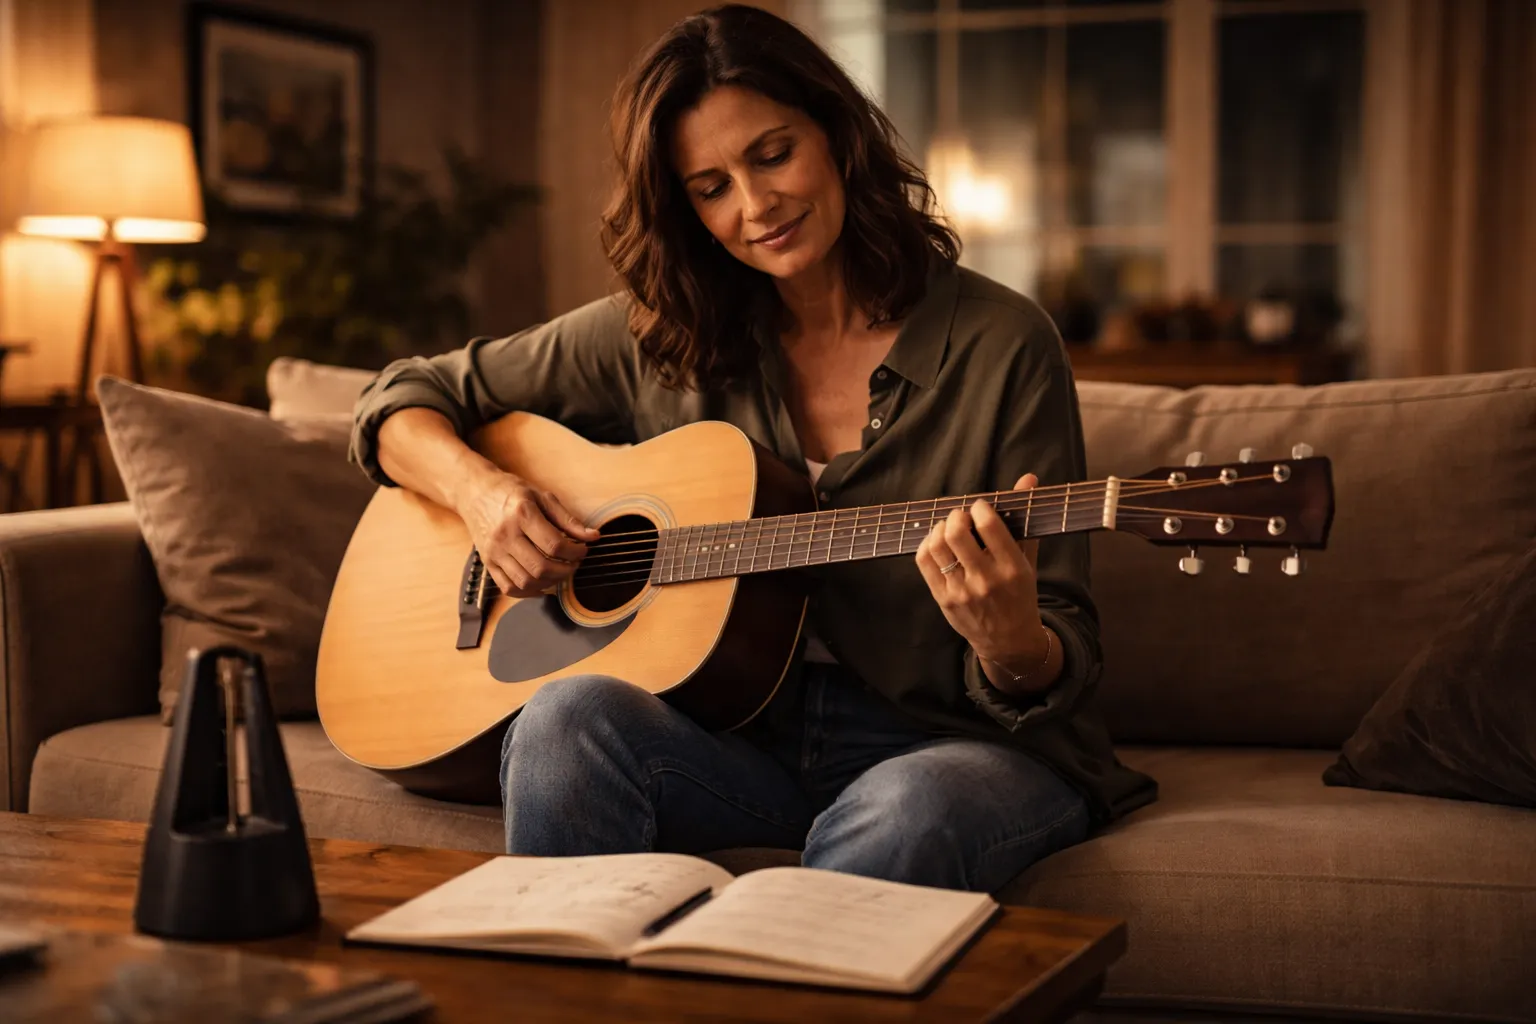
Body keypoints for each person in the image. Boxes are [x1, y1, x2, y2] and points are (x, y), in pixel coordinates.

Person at [350, 4, 1155, 894]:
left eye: (773, 155)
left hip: (954, 749)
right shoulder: (660, 335)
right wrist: (484, 495)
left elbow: (1060, 649)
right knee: (564, 716)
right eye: (710, 187)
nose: (755, 205)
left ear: (838, 135)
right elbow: (402, 397)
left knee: (907, 811)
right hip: (741, 744)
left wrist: (1012, 644)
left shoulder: (1004, 344)